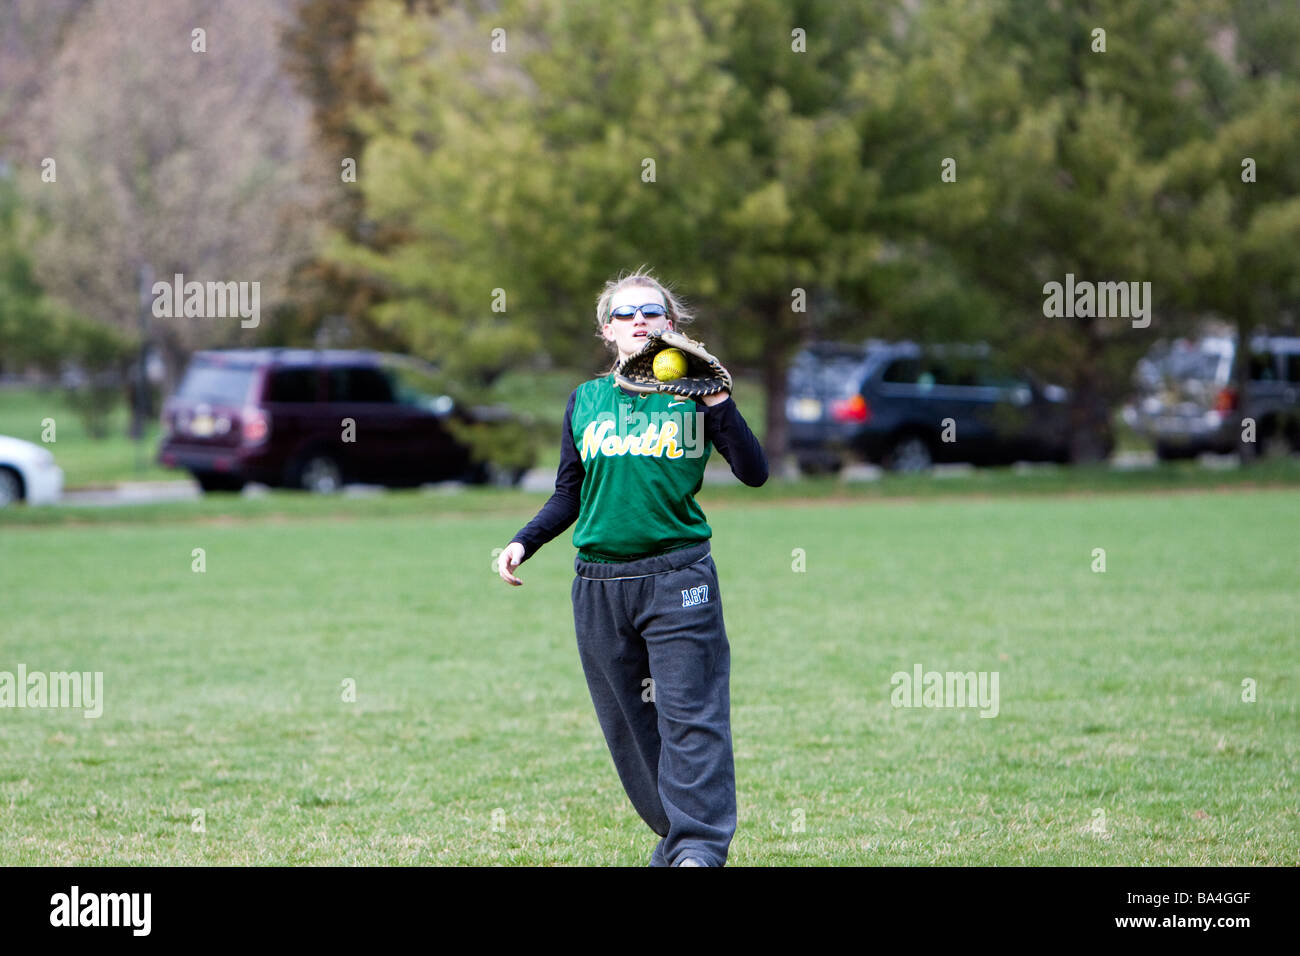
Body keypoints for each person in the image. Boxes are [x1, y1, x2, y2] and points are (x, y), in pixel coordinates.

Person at [496, 267, 768, 867]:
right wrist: (524, 542)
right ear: (607, 331)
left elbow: (754, 471)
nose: (639, 320)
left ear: (672, 327)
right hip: (598, 585)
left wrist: (719, 400)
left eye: (652, 312)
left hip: (678, 578)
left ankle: (698, 849)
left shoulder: (695, 394)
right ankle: (679, 834)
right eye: (626, 313)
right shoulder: (586, 400)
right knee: (630, 725)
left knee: (689, 717)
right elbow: (569, 494)